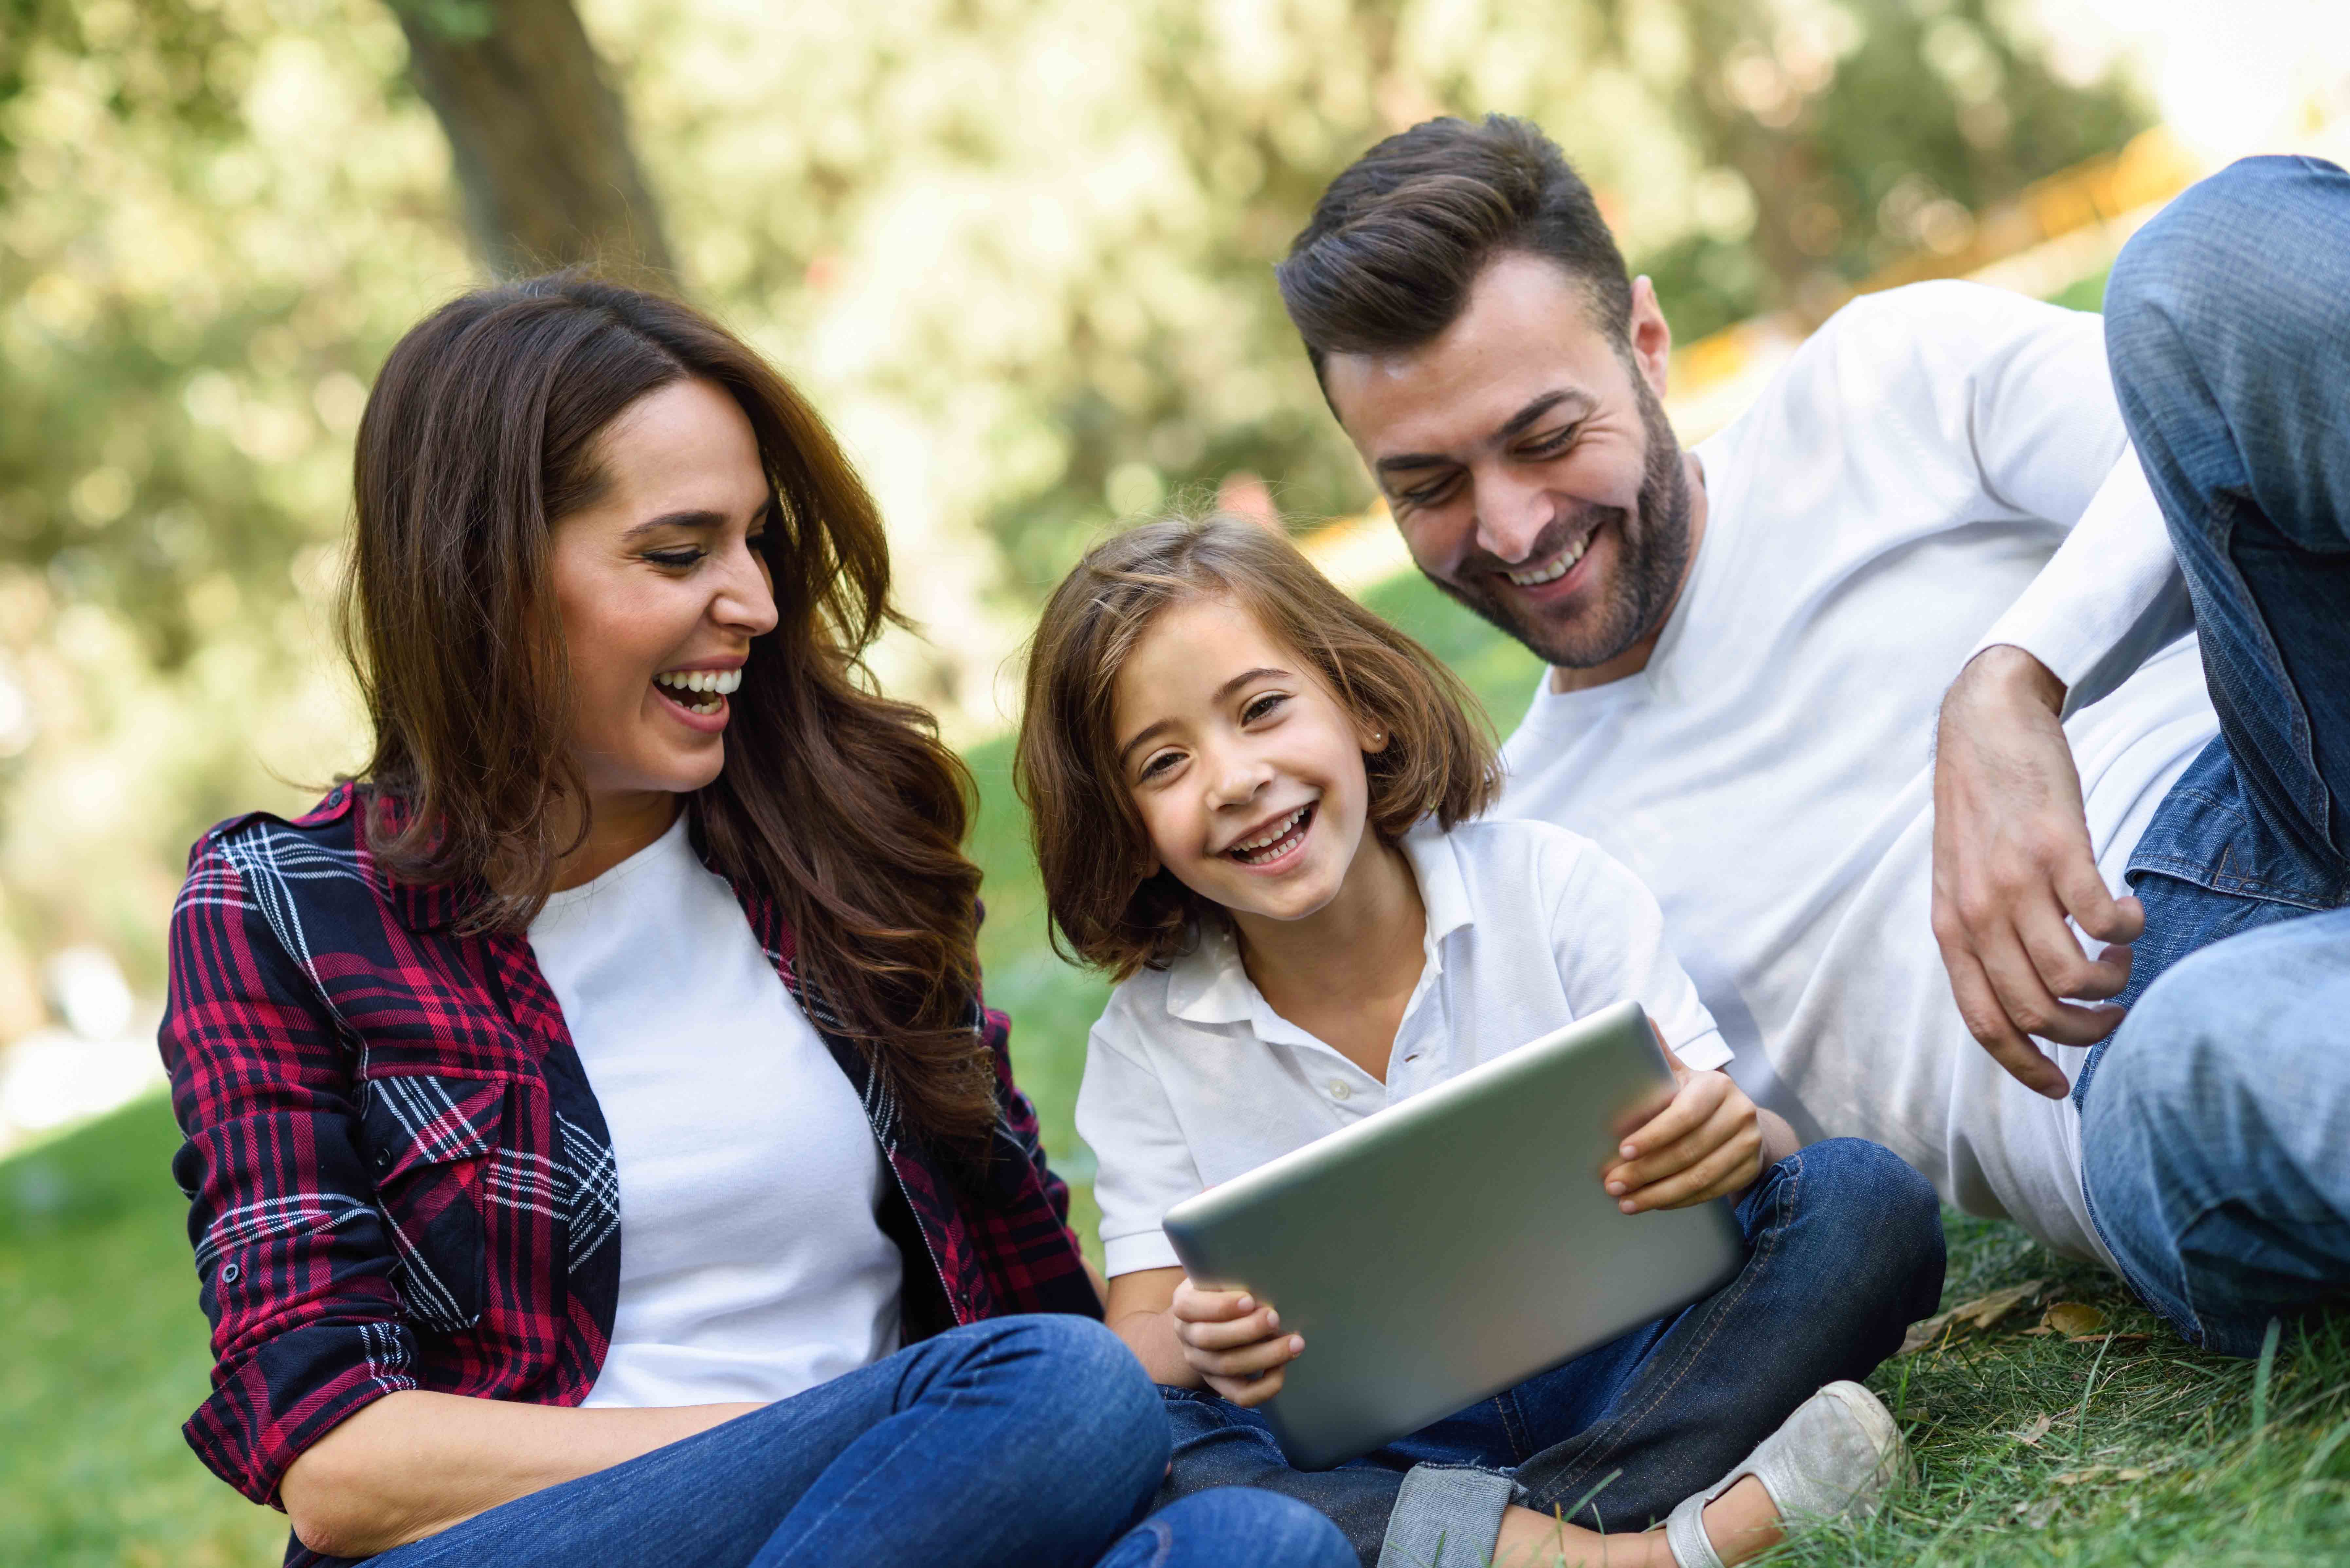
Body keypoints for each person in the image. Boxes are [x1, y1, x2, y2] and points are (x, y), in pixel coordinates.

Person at [157, 275, 1351, 1568]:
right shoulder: (283, 912)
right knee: (1049, 1390)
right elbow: (337, 1462)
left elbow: (1034, 1302)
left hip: (920, 1511)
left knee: (1250, 1540)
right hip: (536, 1542)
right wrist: (858, 1428)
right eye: (679, 553)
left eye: (754, 545)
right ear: (482, 573)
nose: (756, 603)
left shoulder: (838, 844)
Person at [1271, 116, 2348, 1354]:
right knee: (2213, 1056)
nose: (1511, 529)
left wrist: (2012, 677)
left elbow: (2223, 414)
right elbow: (1673, 1208)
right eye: (1429, 487)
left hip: (2284, 752)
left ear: (1648, 343)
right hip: (2147, 1053)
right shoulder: (1524, 855)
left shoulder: (1880, 381)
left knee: (2220, 253)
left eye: (1547, 438)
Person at [1014, 515, 1944, 1568]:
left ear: (1359, 705)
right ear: (1125, 821)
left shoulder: (1548, 885)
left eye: (1263, 709)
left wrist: (1736, 1135)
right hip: (1380, 1435)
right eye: (1165, 762)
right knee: (1162, 1444)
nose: (1232, 779)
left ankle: (1473, 1543)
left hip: (1646, 1358)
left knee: (1860, 1201)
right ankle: (1638, 1550)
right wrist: (1196, 1331)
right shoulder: (1145, 1042)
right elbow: (1144, 1336)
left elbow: (1741, 1142)